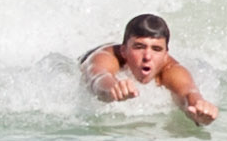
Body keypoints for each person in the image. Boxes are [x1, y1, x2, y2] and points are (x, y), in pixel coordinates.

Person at [80, 13, 218, 124]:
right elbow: (98, 77)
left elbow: (188, 91)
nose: (147, 56)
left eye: (156, 49)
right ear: (124, 51)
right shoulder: (106, 57)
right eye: (139, 47)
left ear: (165, 54)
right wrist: (112, 88)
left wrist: (199, 108)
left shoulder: (171, 69)